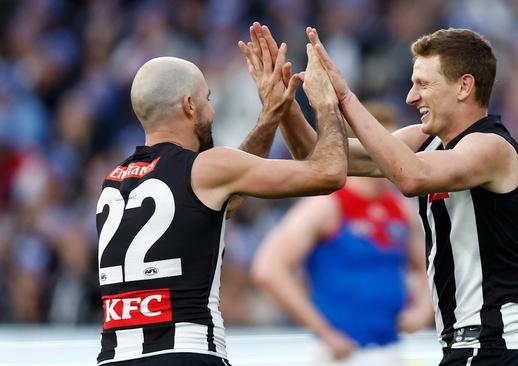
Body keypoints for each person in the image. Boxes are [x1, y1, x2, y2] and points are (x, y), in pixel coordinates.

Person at [242, 24, 518, 366]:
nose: (411, 97)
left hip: (499, 348)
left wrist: (342, 98)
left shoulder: (492, 146)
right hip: (469, 348)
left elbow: (410, 177)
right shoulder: (425, 140)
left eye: (423, 84)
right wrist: (283, 103)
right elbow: (317, 156)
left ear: (464, 86)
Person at [94, 35, 348, 365]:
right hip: (188, 351)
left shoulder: (114, 182)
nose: (211, 111)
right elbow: (330, 172)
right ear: (189, 105)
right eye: (207, 99)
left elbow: (224, 197)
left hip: (113, 358)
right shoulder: (207, 168)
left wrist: (271, 116)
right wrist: (326, 102)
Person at [251, 102, 433, 366]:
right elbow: (268, 268)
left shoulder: (400, 208)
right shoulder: (327, 206)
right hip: (341, 354)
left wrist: (422, 309)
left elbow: (425, 266)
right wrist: (325, 332)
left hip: (390, 348)